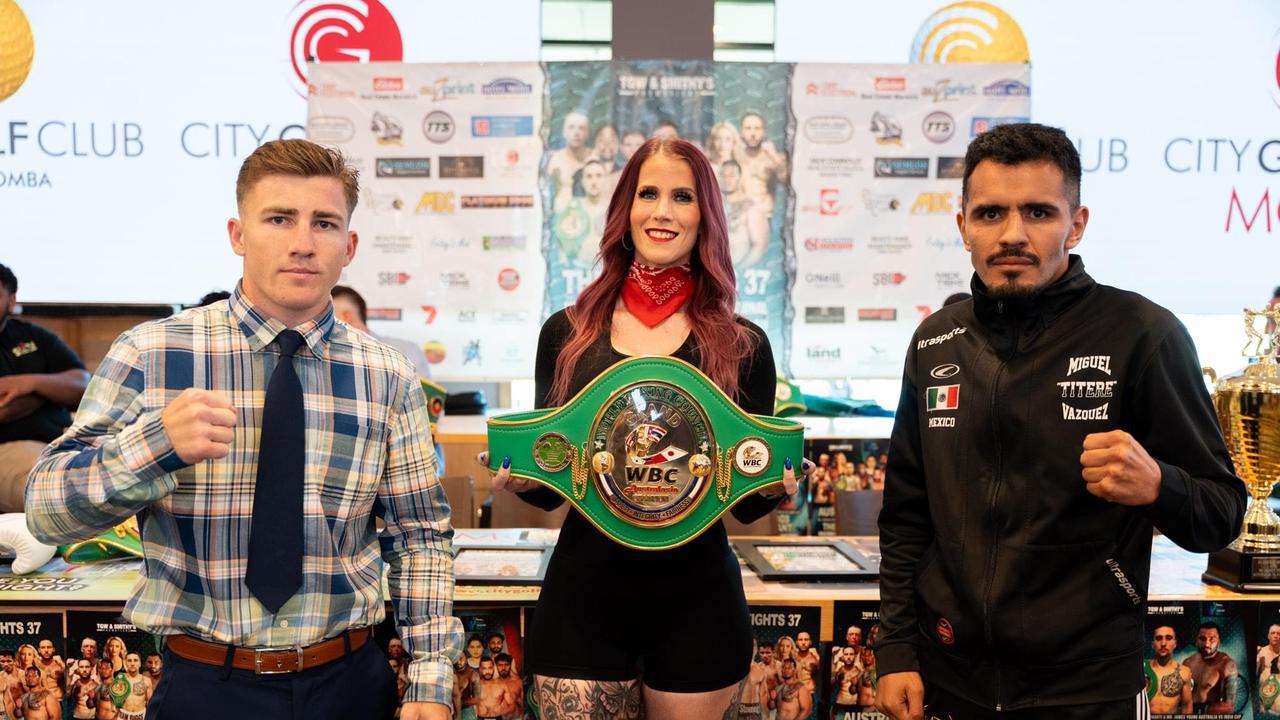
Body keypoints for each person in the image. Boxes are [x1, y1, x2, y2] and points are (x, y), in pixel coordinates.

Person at [25, 138, 461, 720]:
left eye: (324, 223)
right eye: (279, 219)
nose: (302, 243)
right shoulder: (152, 354)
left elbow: (419, 539)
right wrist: (153, 448)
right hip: (204, 686)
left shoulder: (388, 375)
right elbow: (45, 511)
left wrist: (430, 680)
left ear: (349, 246)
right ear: (238, 234)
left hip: (350, 684)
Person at [874, 122, 1246, 720]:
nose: (1013, 234)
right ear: (963, 225)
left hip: (1088, 690)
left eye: (1039, 213)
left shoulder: (1143, 337)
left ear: (1076, 224)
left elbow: (1223, 513)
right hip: (951, 679)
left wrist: (1158, 486)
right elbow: (906, 516)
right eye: (991, 213)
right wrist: (894, 650)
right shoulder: (935, 343)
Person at [488, 137, 803, 720]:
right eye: (648, 193)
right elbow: (553, 469)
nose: (663, 211)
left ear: (704, 214)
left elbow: (747, 504)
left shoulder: (743, 343)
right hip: (583, 601)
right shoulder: (568, 332)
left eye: (682, 196)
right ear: (624, 211)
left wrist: (779, 483)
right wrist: (518, 476)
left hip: (700, 605)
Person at [0, 262, 89, 512]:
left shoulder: (32, 335)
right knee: (54, 489)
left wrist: (30, 383)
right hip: (16, 449)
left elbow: (84, 383)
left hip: (67, 438)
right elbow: (5, 409)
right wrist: (49, 394)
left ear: (11, 299)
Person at [330, 285, 433, 379]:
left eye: (324, 316)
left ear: (346, 316)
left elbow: (424, 396)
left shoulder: (406, 352)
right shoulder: (325, 359)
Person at [1183, 621, 1238, 715]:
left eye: (1212, 639)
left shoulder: (1227, 664)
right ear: (1196, 640)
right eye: (1202, 639)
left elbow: (1229, 707)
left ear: (1219, 641)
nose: (1206, 644)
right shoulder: (1187, 663)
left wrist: (1202, 711)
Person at [545, 111, 592, 208]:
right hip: (562, 217)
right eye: (571, 127)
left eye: (581, 128)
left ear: (587, 133)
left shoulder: (595, 157)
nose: (576, 133)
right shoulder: (555, 160)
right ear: (564, 132)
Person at [1148, 626, 1191, 716]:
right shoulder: (1142, 669)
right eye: (1159, 638)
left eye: (1168, 638)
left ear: (1175, 644)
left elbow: (1186, 705)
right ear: (1153, 644)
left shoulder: (1184, 672)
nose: (1163, 643)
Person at [117, 653, 149, 720]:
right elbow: (113, 701)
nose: (132, 663)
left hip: (141, 716)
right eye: (129, 660)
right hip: (123, 716)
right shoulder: (119, 679)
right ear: (125, 663)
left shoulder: (147, 681)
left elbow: (150, 703)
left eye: (135, 660)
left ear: (140, 663)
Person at [492, 654, 522, 720]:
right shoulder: (492, 684)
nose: (503, 668)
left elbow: (524, 705)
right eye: (500, 665)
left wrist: (514, 698)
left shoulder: (518, 682)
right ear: (496, 666)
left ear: (510, 665)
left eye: (506, 665)